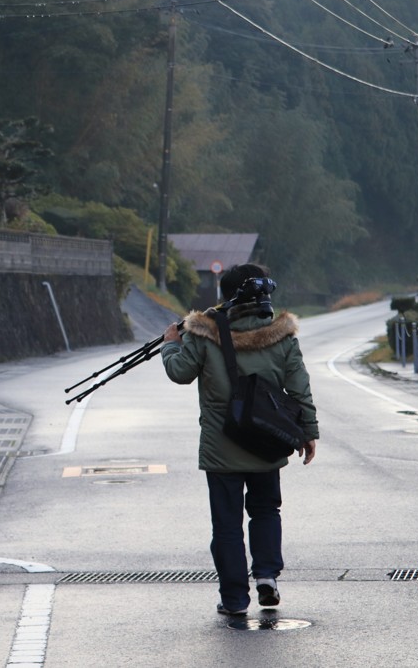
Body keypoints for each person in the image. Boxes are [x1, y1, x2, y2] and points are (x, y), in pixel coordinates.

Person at [160, 263, 318, 616]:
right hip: (267, 440)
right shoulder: (282, 336)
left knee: (227, 525)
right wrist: (308, 432)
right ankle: (266, 577)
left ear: (225, 295)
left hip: (221, 446)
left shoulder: (203, 333)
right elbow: (300, 388)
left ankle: (233, 599)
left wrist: (172, 344)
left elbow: (180, 372)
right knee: (265, 511)